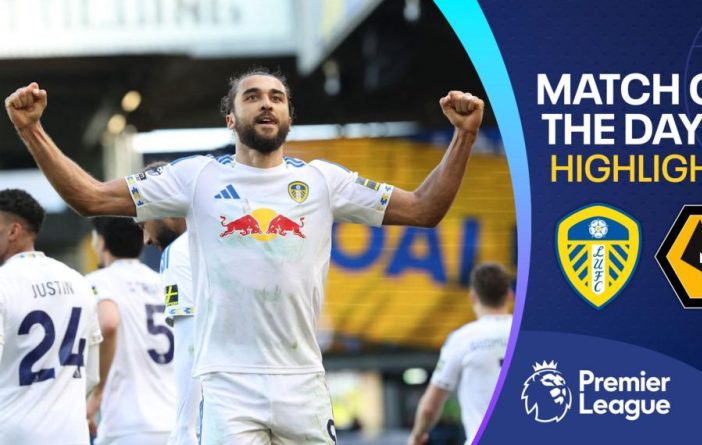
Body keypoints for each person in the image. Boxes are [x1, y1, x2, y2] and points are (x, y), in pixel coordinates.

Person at [5, 69, 485, 444]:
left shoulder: (324, 181)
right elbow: (90, 198)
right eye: (252, 96)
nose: (266, 103)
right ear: (231, 119)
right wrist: (32, 130)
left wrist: (464, 135)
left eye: (277, 97)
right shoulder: (196, 177)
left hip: (303, 381)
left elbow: (424, 209)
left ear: (289, 117)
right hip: (226, 386)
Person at [0, 188, 103, 444]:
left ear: (13, 231)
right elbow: (92, 375)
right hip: (72, 434)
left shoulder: (4, 284)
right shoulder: (79, 282)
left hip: (14, 434)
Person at [85, 217, 176, 445]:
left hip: (128, 424)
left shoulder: (98, 281)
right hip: (175, 420)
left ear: (101, 242)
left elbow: (108, 322)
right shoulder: (164, 282)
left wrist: (97, 392)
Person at [407, 263, 513, 445]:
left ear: (473, 297)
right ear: (509, 295)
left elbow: (430, 408)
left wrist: (417, 436)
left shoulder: (462, 339)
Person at [139, 198, 201, 445]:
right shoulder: (238, 234)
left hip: (232, 411)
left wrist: (185, 427)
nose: (146, 239)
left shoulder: (180, 250)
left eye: (144, 224)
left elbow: (190, 344)